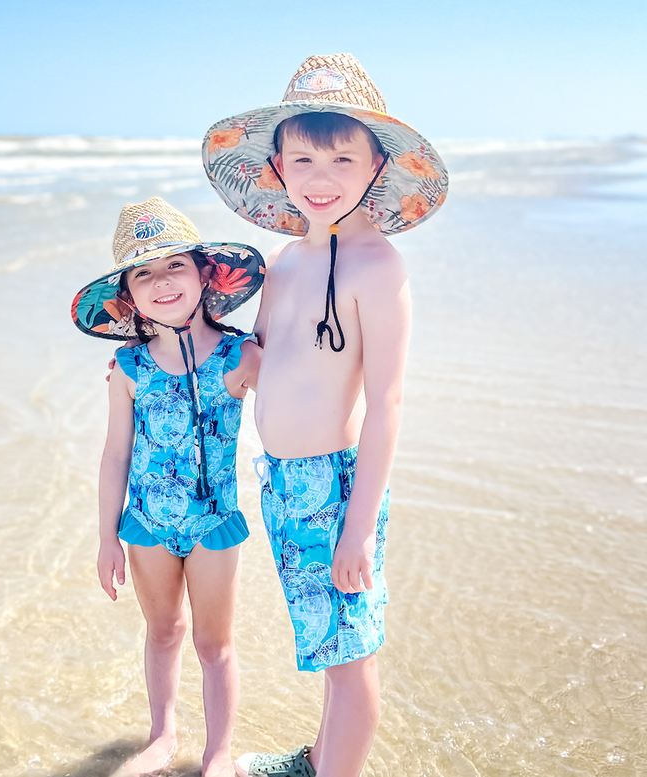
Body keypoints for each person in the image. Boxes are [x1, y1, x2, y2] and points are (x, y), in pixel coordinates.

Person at [202, 54, 449, 777]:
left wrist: (360, 525)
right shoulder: (282, 261)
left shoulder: (378, 267)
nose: (321, 173)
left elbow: (387, 401)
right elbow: (258, 355)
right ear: (277, 165)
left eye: (343, 157)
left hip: (337, 488)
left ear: (377, 168)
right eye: (304, 155)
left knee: (351, 662)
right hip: (281, 481)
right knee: (327, 640)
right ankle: (318, 759)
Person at [71, 197, 264, 777]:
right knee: (162, 631)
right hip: (146, 526)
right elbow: (114, 457)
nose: (162, 281)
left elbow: (296, 400)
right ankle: (162, 735)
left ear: (206, 273)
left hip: (214, 525)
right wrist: (106, 538)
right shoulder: (129, 369)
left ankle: (219, 751)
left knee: (213, 644)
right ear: (129, 296)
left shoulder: (240, 354)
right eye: (144, 273)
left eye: (174, 265)